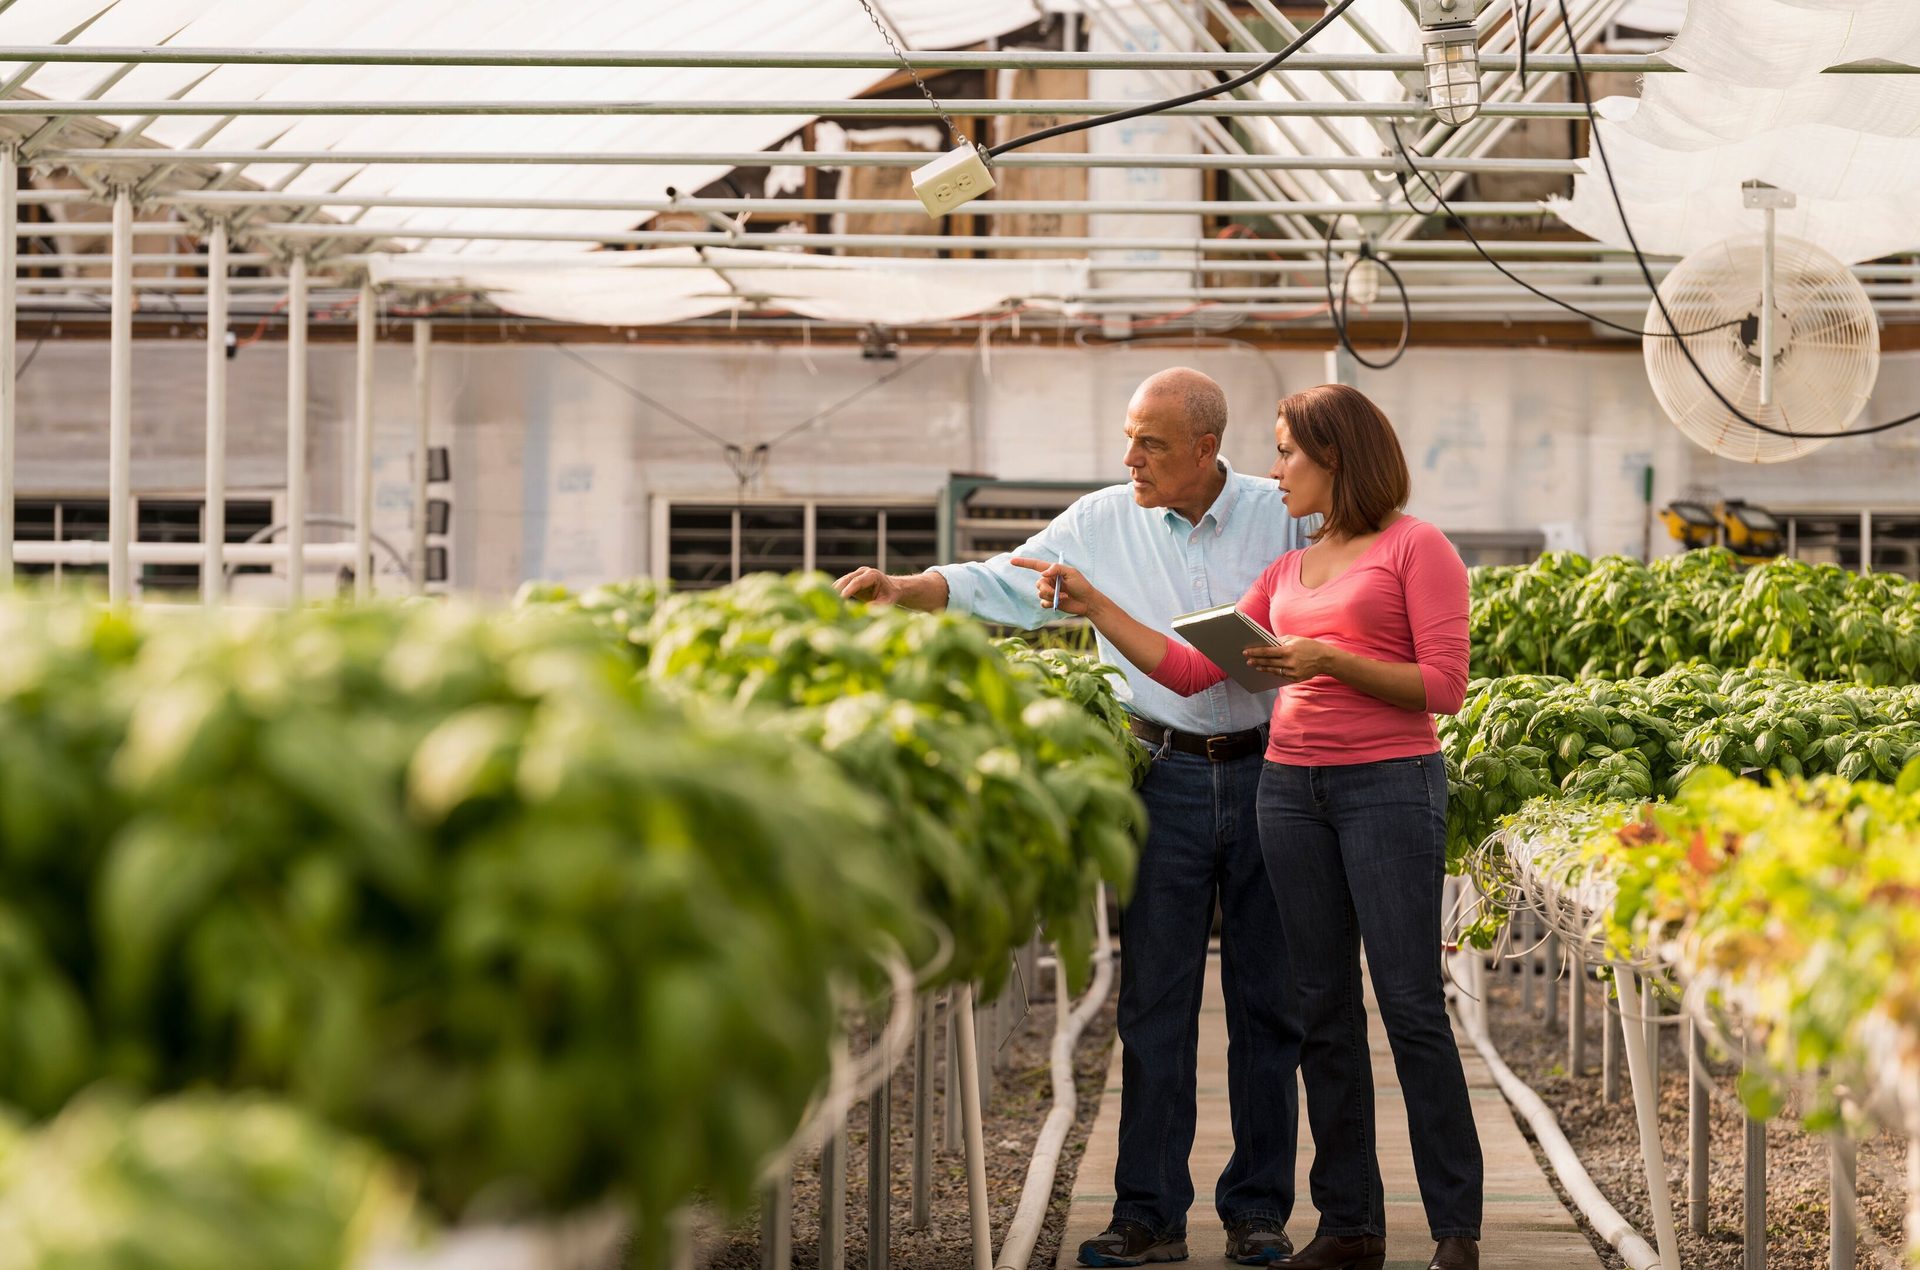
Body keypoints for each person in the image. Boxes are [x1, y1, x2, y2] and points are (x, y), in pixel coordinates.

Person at [836, 368, 1310, 1267]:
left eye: (1152, 443)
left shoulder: (1282, 512)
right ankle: (1149, 1215)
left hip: (1269, 775)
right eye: (1130, 437)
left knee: (1270, 1007)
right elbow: (1003, 583)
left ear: (1206, 448)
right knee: (1153, 1002)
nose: (1130, 456)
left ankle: (1257, 1213)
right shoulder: (1098, 521)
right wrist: (909, 588)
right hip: (1159, 776)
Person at [1014, 382, 1483, 1270]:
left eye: (1289, 455)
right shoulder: (1289, 571)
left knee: (1413, 1006)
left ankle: (1455, 1229)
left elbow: (1445, 687)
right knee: (1321, 1013)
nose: (1275, 473)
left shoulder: (1418, 548)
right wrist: (1095, 607)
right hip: (1290, 791)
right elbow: (1194, 670)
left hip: (1386, 789)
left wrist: (1327, 659)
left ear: (1335, 458)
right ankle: (1350, 1228)